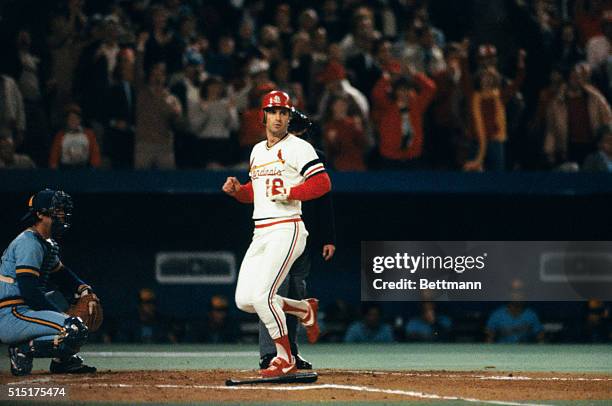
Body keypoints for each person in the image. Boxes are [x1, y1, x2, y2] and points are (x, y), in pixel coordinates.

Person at [222, 90, 331, 377]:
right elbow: (255, 194)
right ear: (264, 116)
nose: (278, 117)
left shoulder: (299, 147)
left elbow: (323, 184)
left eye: (284, 112)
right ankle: (303, 310)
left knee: (263, 296)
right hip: (261, 232)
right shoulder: (257, 150)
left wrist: (291, 191)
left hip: (287, 227)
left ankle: (285, 358)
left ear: (288, 117)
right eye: (273, 112)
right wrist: (238, 192)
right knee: (244, 300)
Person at [258, 109, 336, 370]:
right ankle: (270, 354)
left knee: (295, 291)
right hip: (278, 230)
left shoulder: (313, 158)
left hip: (303, 234)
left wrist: (328, 237)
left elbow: (324, 200)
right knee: (272, 292)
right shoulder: (270, 156)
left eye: (300, 130)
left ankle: (290, 352)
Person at [0, 189, 98, 375]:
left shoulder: (45, 242)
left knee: (67, 302)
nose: (62, 214)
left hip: (22, 309)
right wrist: (63, 317)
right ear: (39, 214)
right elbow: (29, 292)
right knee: (74, 328)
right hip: (11, 314)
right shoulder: (29, 243)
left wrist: (84, 289)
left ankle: (63, 361)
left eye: (62, 210)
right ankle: (22, 350)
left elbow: (63, 275)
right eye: (57, 209)